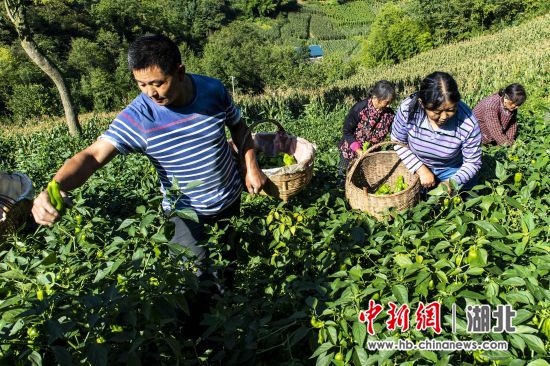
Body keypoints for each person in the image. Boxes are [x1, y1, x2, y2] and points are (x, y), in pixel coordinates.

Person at [32, 34, 267, 268]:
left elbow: (238, 126)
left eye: (157, 83)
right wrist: (55, 186)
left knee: (228, 266)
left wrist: (251, 167)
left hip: (229, 199)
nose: (150, 93)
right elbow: (92, 156)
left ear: (180, 72)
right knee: (198, 281)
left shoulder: (212, 90)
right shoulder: (139, 117)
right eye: (141, 84)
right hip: (184, 213)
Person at [391, 71, 481, 191]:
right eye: (437, 112)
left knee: (464, 200)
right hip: (418, 163)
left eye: (450, 110)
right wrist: (420, 168)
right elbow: (397, 141)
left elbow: (472, 162)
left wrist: (451, 182)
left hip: (452, 170)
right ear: (422, 104)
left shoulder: (467, 122)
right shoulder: (409, 110)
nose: (444, 117)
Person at [338, 80, 396, 177]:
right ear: (376, 97)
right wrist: (358, 150)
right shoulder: (360, 109)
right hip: (350, 152)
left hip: (371, 154)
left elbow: (394, 133)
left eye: (390, 102)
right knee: (344, 177)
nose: (389, 105)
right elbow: (347, 132)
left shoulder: (388, 114)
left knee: (365, 178)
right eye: (387, 102)